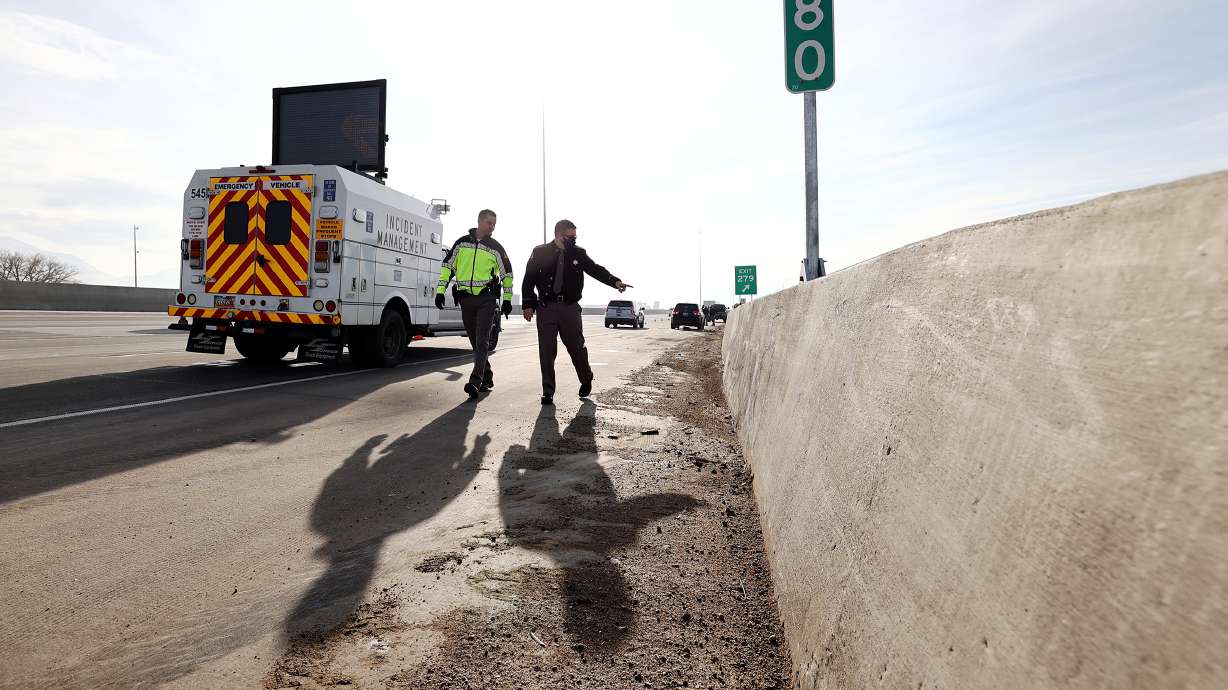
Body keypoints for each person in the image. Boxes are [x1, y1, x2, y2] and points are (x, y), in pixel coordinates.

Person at [522, 219, 632, 405]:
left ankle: (586, 377)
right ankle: (548, 391)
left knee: (576, 348)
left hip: (570, 308)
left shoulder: (578, 253)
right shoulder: (539, 252)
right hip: (546, 308)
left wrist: (615, 281)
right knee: (546, 351)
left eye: (575, 236)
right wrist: (527, 304)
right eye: (569, 237)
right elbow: (529, 279)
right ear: (558, 235)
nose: (573, 240)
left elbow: (595, 269)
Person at [435, 209, 514, 399]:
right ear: (479, 222)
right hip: (465, 300)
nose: (492, 227)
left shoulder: (496, 247)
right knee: (474, 340)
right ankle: (487, 375)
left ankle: (475, 381)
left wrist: (508, 300)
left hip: (486, 300)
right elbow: (447, 267)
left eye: (494, 224)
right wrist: (439, 291)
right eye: (489, 223)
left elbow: (507, 274)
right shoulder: (461, 243)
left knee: (482, 340)